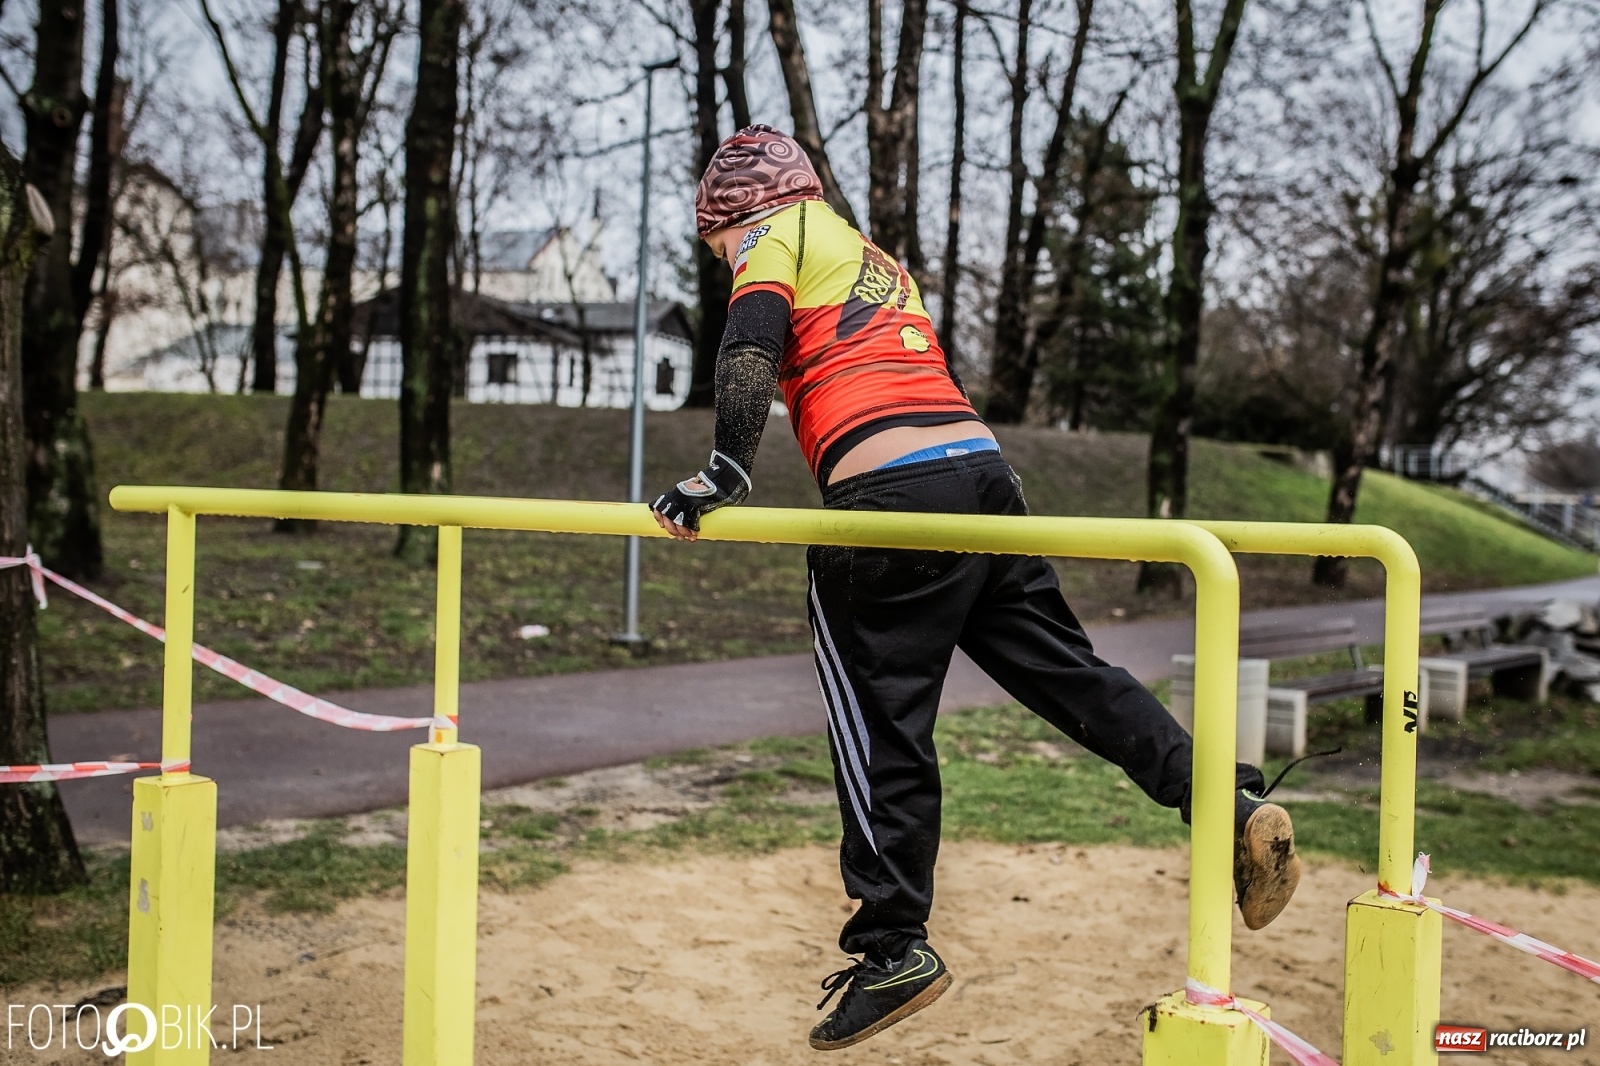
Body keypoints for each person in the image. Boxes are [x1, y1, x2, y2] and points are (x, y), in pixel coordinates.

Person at [650, 124, 1302, 1052]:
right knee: (1070, 671)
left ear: (734, 216)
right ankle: (1226, 809)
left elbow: (750, 345)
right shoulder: (870, 257)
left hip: (889, 506)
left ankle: (892, 945)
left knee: (880, 720)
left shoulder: (774, 235)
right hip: (985, 482)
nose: (724, 262)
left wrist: (722, 470)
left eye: (717, 245)